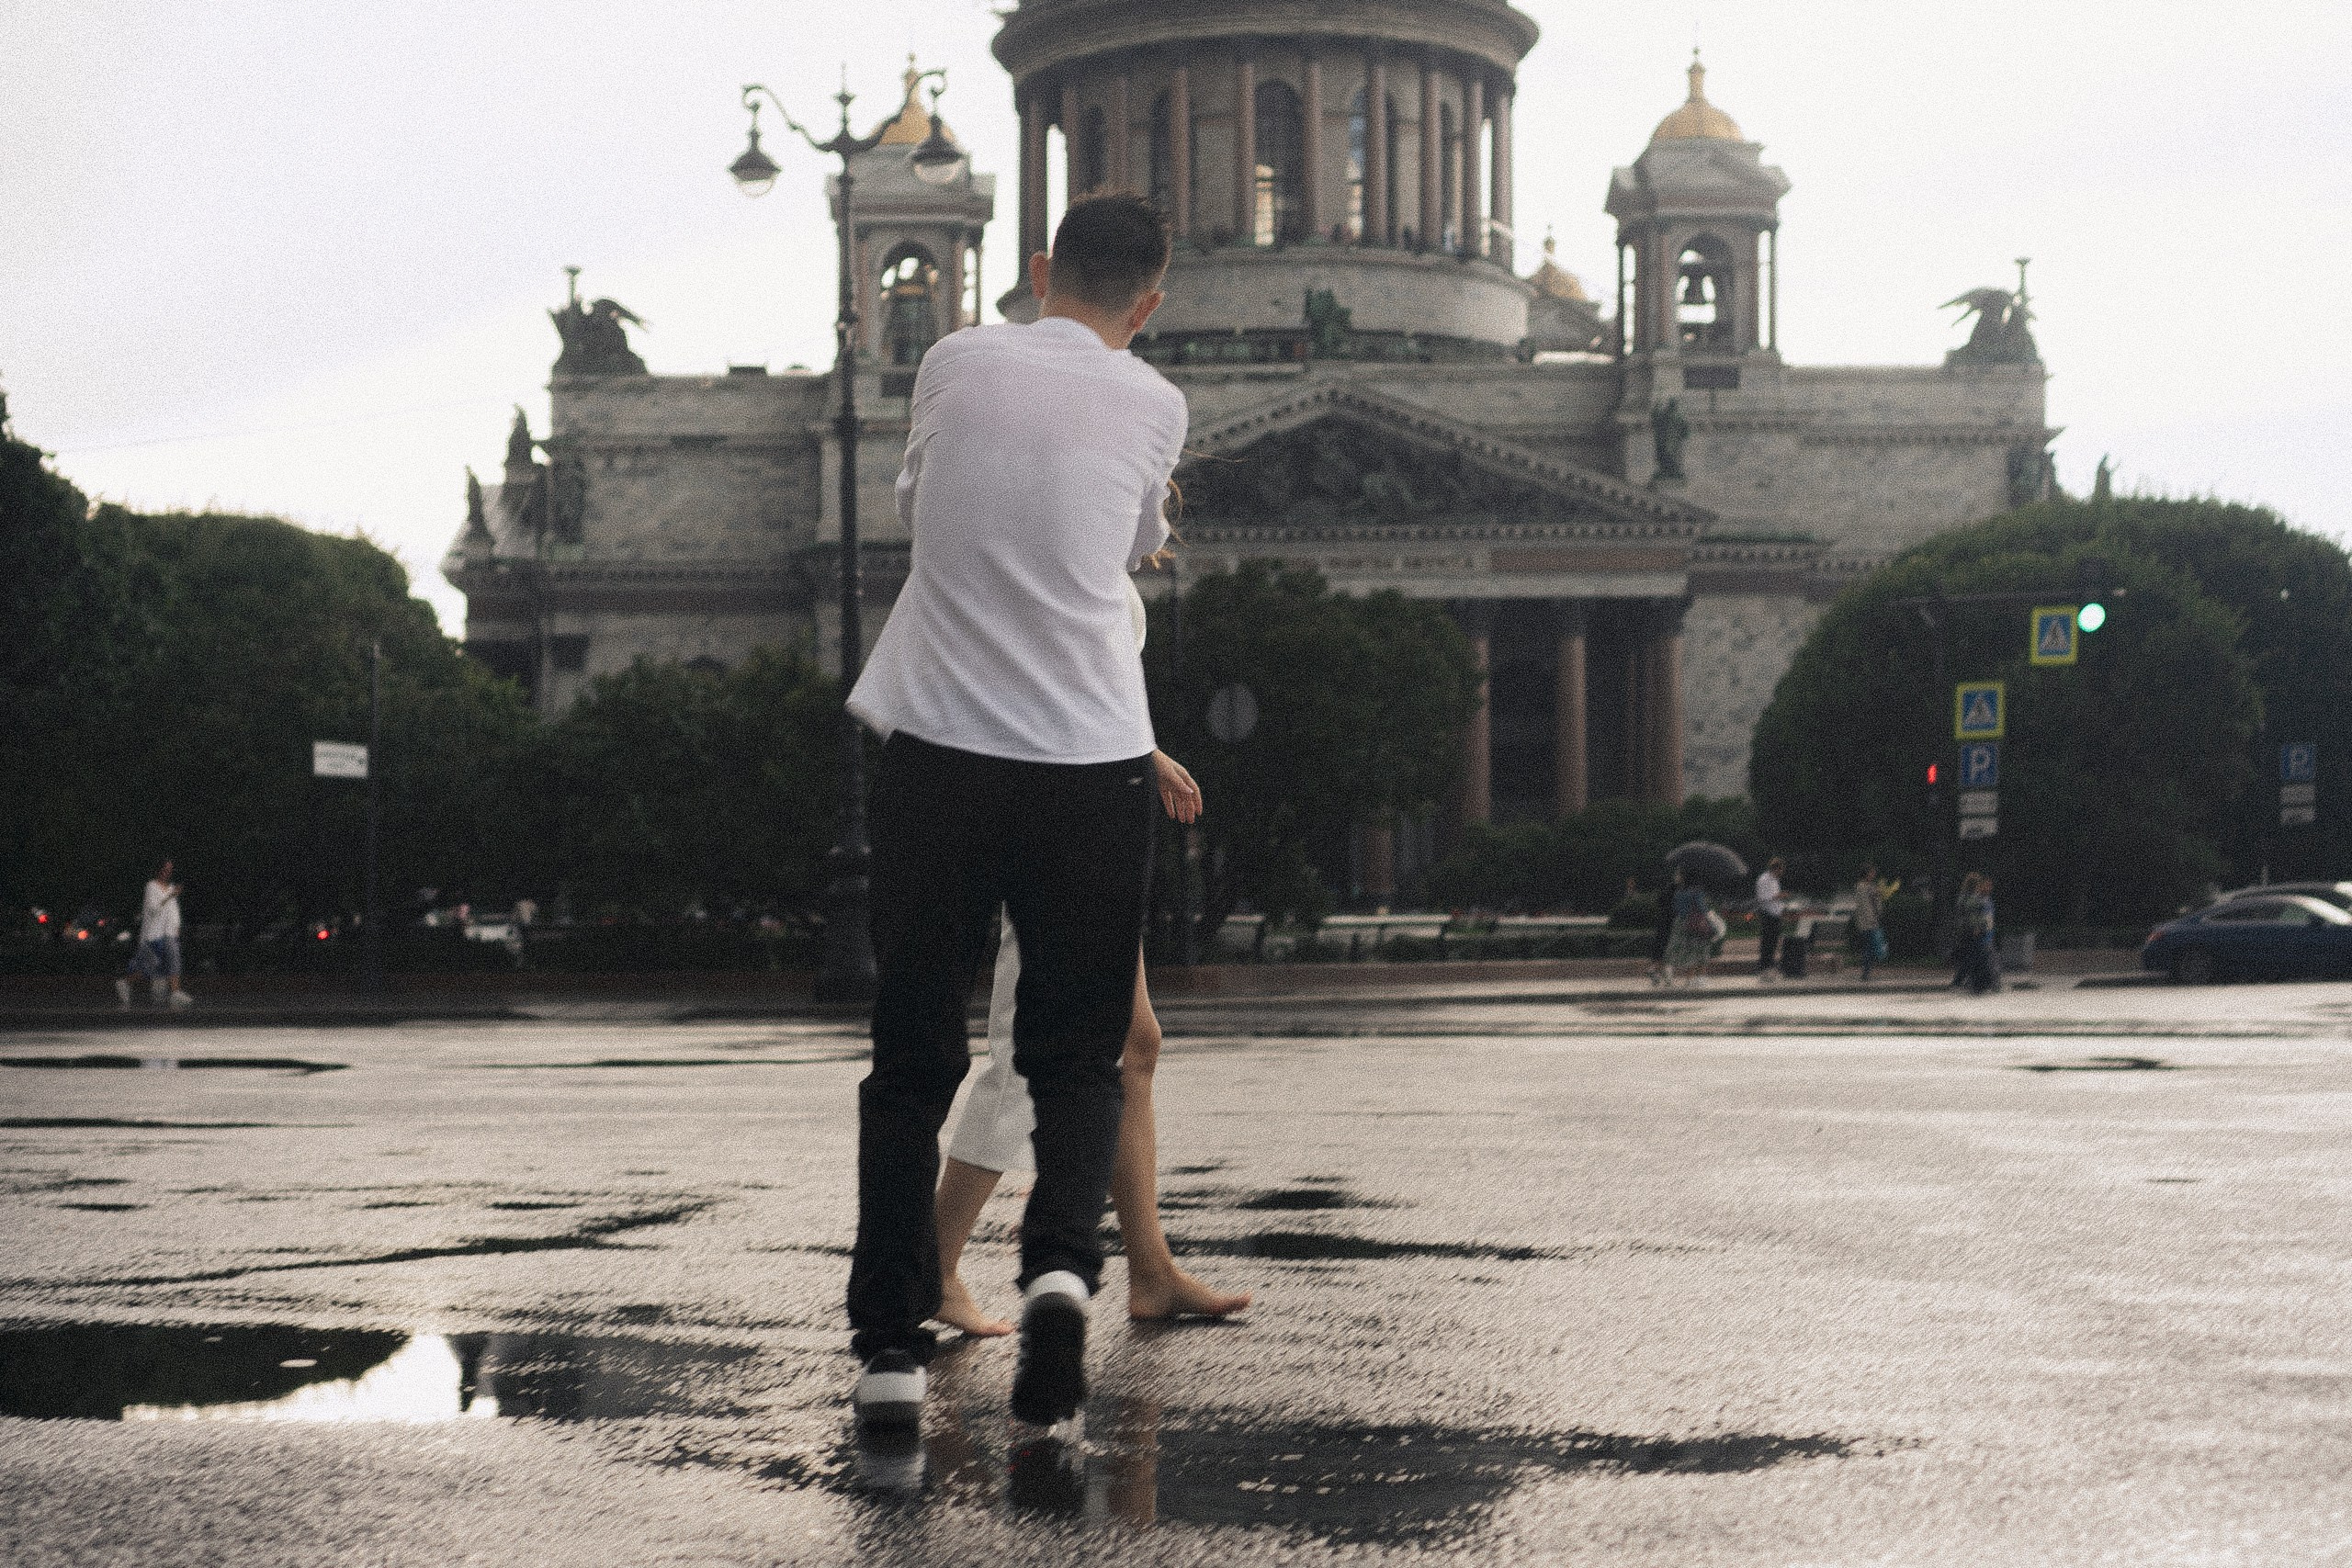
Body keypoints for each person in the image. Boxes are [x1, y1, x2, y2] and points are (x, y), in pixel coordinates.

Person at [840, 193, 1188, 1433]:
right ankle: (1057, 1279)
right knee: (1076, 1055)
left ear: (1038, 270)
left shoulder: (948, 359)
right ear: (1146, 306)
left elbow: (925, 500)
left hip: (941, 749)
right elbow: (1135, 543)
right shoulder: (1157, 400)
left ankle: (886, 1343)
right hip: (1092, 757)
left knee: (913, 1059)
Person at [116, 860, 191, 1010]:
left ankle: (175, 994)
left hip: (168, 933)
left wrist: (176, 927)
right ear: (159, 870)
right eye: (165, 869)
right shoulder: (151, 886)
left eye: (170, 869)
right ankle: (125, 982)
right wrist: (171, 895)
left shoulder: (170, 888)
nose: (168, 872)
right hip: (152, 935)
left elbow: (173, 912)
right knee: (148, 969)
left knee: (174, 960)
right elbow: (153, 909)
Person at [1663, 873, 1713, 987]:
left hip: (1682, 923)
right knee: (1701, 950)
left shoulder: (1678, 893)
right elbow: (1702, 909)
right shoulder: (1697, 892)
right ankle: (1700, 978)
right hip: (1698, 923)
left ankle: (1689, 979)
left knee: (1689, 952)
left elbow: (1676, 908)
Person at [1851, 864, 1895, 982]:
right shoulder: (1862, 887)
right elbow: (1865, 906)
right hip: (1868, 923)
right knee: (1869, 947)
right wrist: (1873, 919)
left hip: (1871, 921)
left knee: (1870, 947)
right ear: (1866, 873)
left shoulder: (1869, 886)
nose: (1873, 875)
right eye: (1871, 872)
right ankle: (1866, 973)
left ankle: (1867, 972)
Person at [1753, 857, 1787, 979]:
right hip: (1767, 914)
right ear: (1776, 868)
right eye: (1781, 870)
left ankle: (1769, 964)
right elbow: (1762, 897)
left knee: (1773, 941)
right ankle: (1763, 966)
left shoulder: (1774, 880)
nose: (1782, 873)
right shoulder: (1764, 879)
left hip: (1776, 914)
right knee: (1767, 941)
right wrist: (1777, 896)